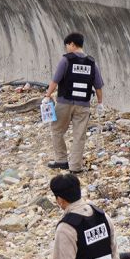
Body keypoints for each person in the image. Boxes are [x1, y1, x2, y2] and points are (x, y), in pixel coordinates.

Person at [44, 32, 104, 174]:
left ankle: (61, 160)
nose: (66, 49)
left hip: (64, 102)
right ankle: (75, 167)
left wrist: (47, 96)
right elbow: (99, 86)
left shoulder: (66, 60)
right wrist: (100, 103)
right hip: (83, 105)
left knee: (57, 130)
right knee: (79, 135)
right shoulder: (91, 62)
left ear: (72, 44)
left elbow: (55, 80)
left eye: (67, 46)